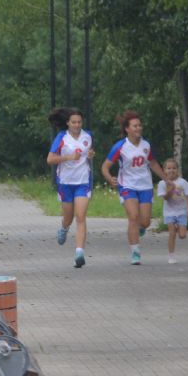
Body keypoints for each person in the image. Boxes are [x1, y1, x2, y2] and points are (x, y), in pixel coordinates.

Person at [100, 109, 167, 266]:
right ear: (127, 129)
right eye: (135, 126)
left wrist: (166, 179)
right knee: (133, 217)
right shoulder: (120, 147)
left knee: (145, 222)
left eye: (140, 125)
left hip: (145, 186)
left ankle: (140, 228)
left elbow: (153, 163)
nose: (138, 128)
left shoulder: (146, 145)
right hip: (127, 186)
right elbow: (105, 166)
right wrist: (110, 178)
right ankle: (135, 252)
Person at [46, 107, 94, 268]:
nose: (77, 125)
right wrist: (68, 157)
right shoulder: (61, 138)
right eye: (73, 122)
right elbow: (50, 159)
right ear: (68, 123)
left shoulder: (88, 136)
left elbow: (89, 153)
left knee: (80, 216)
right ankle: (64, 228)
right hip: (66, 183)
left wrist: (91, 155)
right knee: (69, 218)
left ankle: (79, 253)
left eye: (79, 122)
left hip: (83, 182)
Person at [157, 158, 188, 264]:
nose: (171, 170)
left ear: (178, 170)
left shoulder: (183, 182)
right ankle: (171, 255)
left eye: (174, 168)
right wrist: (170, 189)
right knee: (172, 233)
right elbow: (165, 198)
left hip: (182, 211)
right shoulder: (162, 183)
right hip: (169, 212)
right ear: (164, 170)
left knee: (182, 235)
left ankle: (180, 226)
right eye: (168, 168)